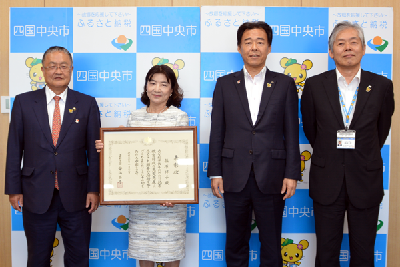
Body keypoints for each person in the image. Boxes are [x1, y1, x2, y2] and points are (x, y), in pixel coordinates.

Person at [207, 21, 301, 267]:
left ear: (269, 47)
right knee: (236, 242)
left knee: (271, 244)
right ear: (239, 48)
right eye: (248, 42)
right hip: (233, 174)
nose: (254, 47)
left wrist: (292, 173)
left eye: (260, 41)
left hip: (272, 174)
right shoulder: (225, 84)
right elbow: (217, 131)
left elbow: (292, 132)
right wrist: (215, 171)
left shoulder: (285, 84)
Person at [301, 21, 395, 267]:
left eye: (354, 42)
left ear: (364, 48)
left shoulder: (382, 86)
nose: (348, 48)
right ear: (331, 52)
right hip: (327, 178)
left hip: (365, 178)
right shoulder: (313, 86)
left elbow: (380, 131)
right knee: (326, 254)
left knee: (364, 255)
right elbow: (312, 130)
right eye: (340, 43)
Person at [5, 46, 101, 267]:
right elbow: (14, 148)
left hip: (77, 195)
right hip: (35, 192)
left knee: (78, 258)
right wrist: (13, 189)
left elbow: (94, 152)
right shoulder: (24, 102)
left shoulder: (86, 103)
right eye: (52, 66)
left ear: (71, 69)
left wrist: (93, 189)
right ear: (43, 70)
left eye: (63, 66)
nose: (58, 71)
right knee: (38, 258)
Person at [95, 64, 188, 267]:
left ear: (172, 90)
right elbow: (128, 157)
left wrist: (175, 194)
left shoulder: (178, 117)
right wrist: (108, 145)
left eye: (164, 84)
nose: (157, 88)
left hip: (170, 202)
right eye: (152, 82)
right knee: (143, 251)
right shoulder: (134, 116)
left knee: (171, 251)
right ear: (146, 86)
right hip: (141, 202)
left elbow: (182, 159)